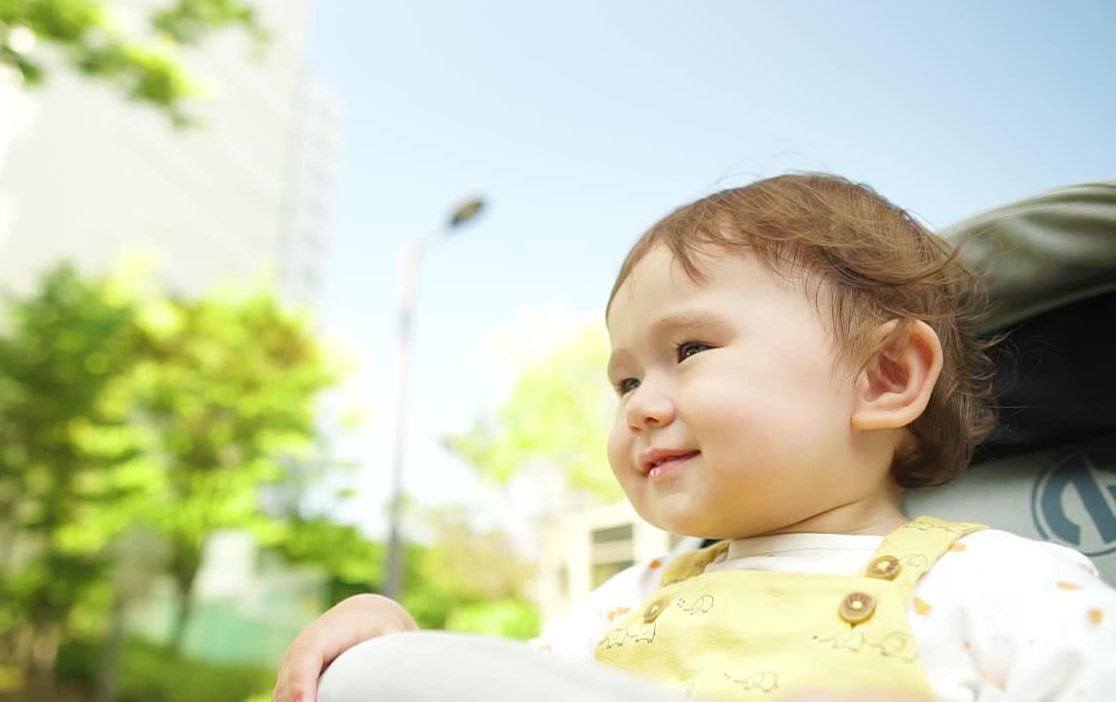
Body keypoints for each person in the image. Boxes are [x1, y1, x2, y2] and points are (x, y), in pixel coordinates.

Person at [273, 174, 1116, 702]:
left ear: (885, 377)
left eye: (690, 352)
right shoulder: (636, 593)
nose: (639, 405)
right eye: (626, 380)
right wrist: (388, 629)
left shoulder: (1001, 578)